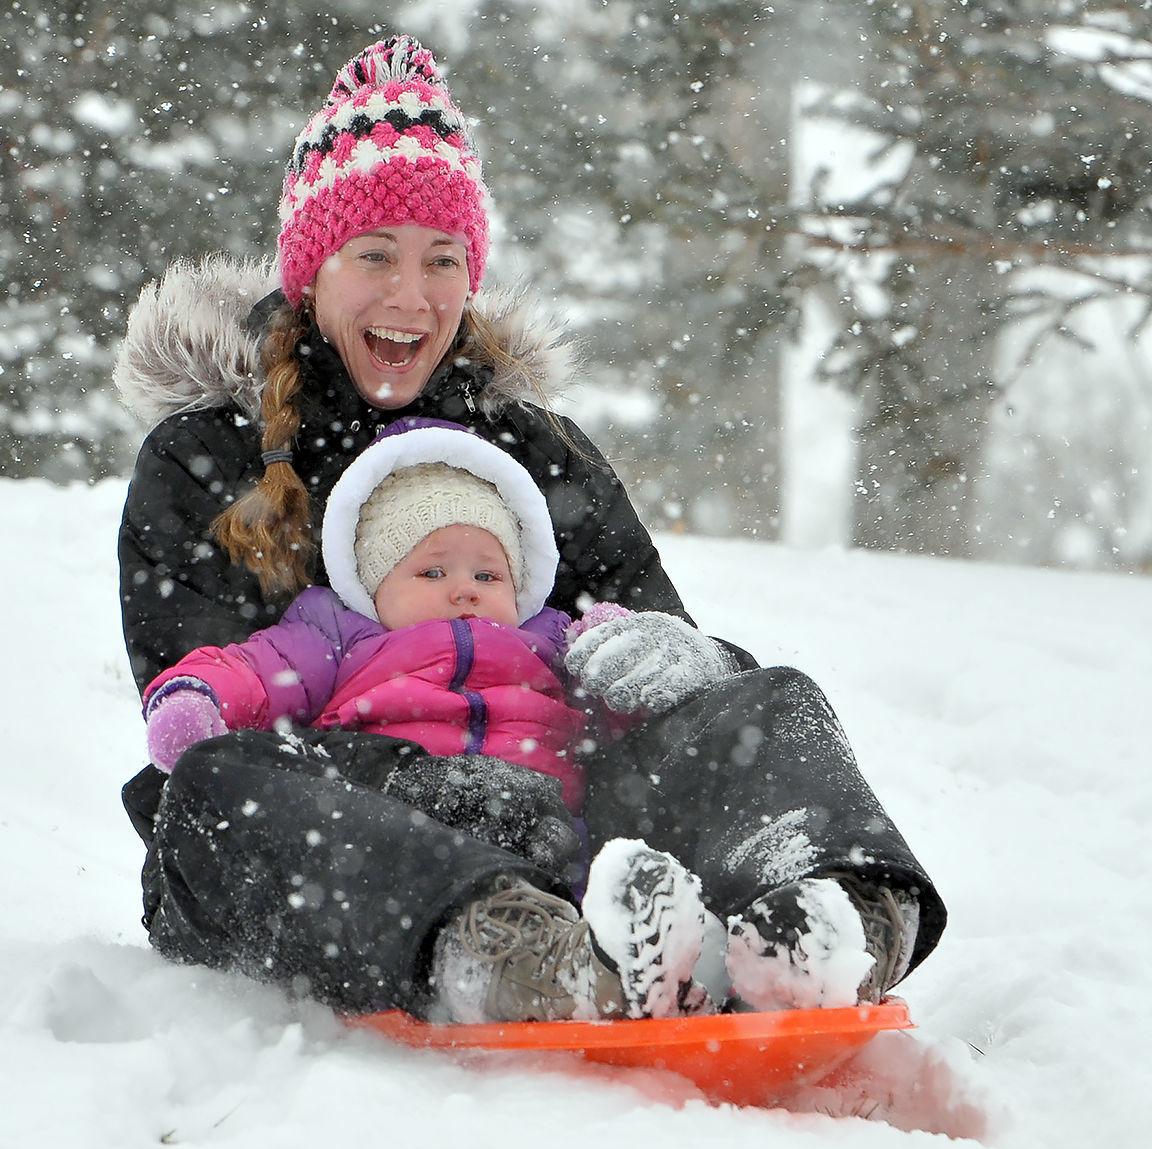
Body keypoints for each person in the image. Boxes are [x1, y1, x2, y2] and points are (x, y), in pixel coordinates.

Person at [115, 34, 947, 1029]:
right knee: (211, 789)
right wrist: (436, 791)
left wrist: (686, 661)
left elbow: (658, 664)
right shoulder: (209, 457)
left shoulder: (535, 450)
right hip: (344, 830)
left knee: (768, 698)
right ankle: (499, 948)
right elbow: (200, 700)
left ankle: (819, 920)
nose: (410, 295)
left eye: (442, 260)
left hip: (558, 811)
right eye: (373, 256)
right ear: (310, 270)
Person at [140, 416, 711, 1021]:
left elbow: (628, 715)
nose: (464, 589)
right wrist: (196, 694)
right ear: (374, 580)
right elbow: (256, 671)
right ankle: (513, 954)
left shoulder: (550, 641)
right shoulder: (334, 632)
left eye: (488, 574)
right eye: (432, 571)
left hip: (540, 833)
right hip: (399, 828)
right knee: (241, 768)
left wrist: (627, 645)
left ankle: (616, 948)